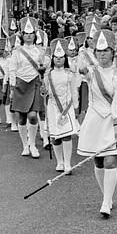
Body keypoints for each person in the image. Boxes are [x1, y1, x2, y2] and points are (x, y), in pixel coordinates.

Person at [77, 29, 117, 218]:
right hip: (94, 120)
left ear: (113, 52)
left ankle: (106, 202)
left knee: (111, 161)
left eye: (106, 50)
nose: (102, 54)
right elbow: (81, 70)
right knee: (98, 160)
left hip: (112, 120)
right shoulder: (92, 72)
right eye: (99, 51)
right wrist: (81, 55)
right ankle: (106, 196)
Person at [9, 16, 46, 159]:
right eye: (26, 34)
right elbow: (12, 69)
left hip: (35, 83)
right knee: (22, 118)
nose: (29, 36)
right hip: (21, 84)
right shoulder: (17, 51)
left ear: (35, 35)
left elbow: (45, 67)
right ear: (22, 35)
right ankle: (25, 145)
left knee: (32, 116)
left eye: (31, 34)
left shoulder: (40, 51)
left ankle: (33, 145)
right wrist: (12, 87)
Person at [44, 38, 80, 173]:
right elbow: (46, 91)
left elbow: (74, 91)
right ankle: (59, 162)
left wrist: (76, 107)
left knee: (67, 135)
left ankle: (67, 163)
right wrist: (43, 92)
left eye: (61, 58)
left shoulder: (70, 74)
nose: (59, 60)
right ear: (52, 59)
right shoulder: (48, 75)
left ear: (65, 58)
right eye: (56, 58)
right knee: (55, 136)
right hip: (53, 107)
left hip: (67, 107)